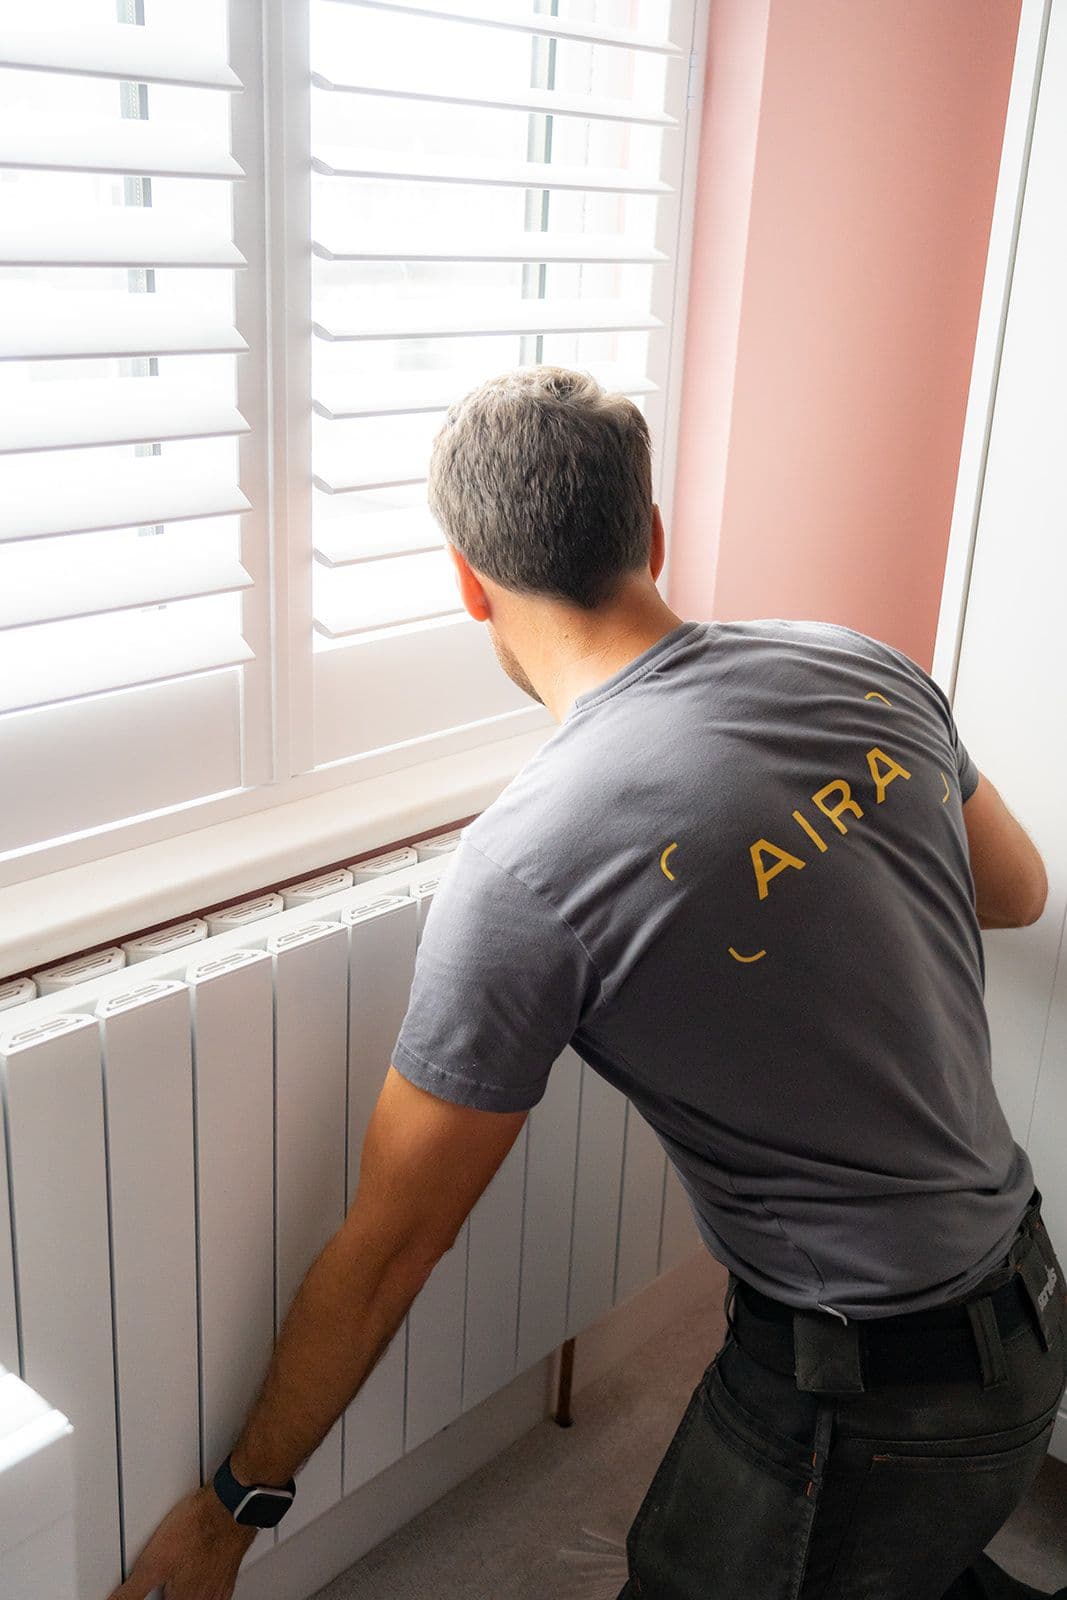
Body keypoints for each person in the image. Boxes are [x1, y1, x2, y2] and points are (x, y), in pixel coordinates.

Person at [109, 367, 1067, 1600]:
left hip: (875, 1392)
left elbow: (396, 1240)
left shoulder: (529, 862)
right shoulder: (857, 665)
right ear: (651, 535)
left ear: (467, 581)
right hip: (1028, 1305)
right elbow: (1015, 887)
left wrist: (231, 1509)